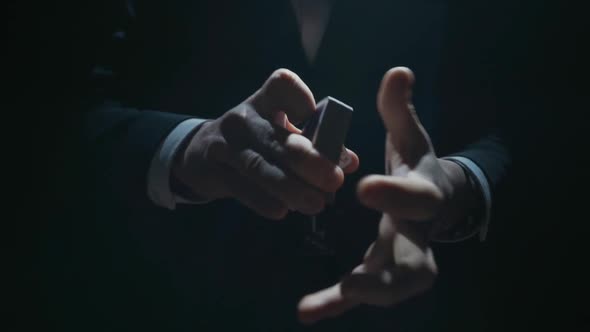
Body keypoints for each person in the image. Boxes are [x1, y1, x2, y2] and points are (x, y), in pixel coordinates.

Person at [41, 0, 517, 331]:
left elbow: (528, 113)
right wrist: (188, 147)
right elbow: (42, 115)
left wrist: (456, 185)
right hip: (166, 305)